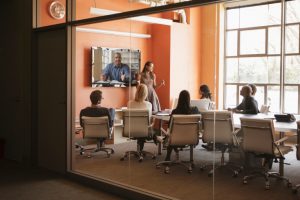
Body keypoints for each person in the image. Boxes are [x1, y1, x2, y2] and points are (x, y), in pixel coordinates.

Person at [164, 90, 200, 161]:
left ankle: (168, 157)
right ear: (189, 99)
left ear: (179, 99)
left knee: (170, 134)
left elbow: (169, 127)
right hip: (191, 137)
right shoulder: (195, 110)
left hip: (176, 138)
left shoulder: (175, 112)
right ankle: (190, 159)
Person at [127, 84, 153, 152]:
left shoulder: (129, 103)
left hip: (131, 129)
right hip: (144, 130)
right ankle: (140, 150)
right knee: (146, 128)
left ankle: (139, 150)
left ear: (136, 92)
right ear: (146, 93)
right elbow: (149, 120)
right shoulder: (148, 104)